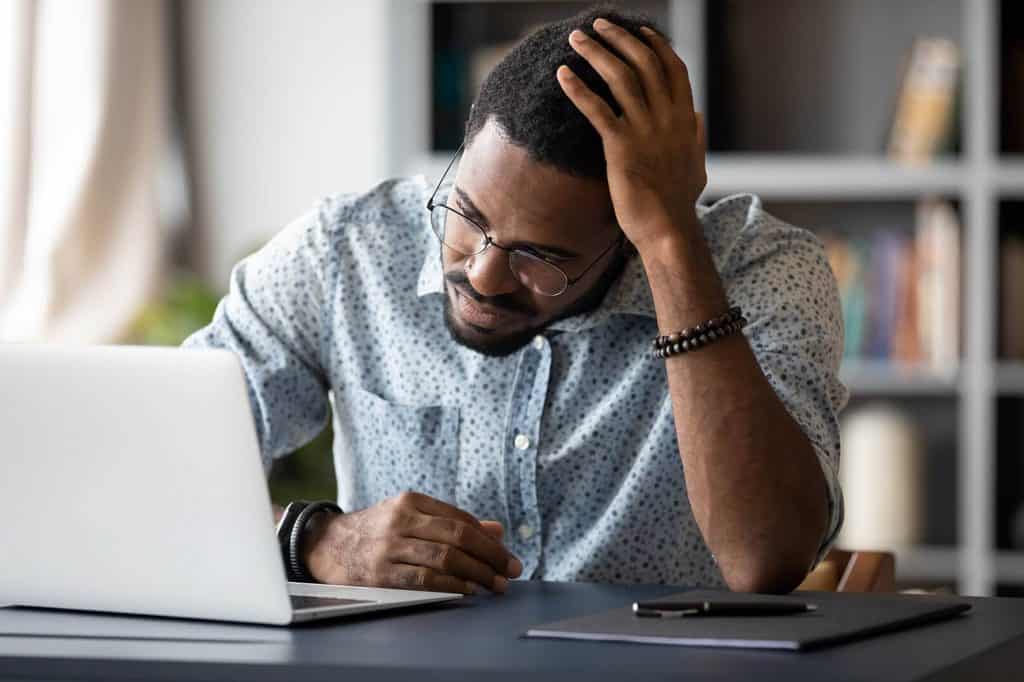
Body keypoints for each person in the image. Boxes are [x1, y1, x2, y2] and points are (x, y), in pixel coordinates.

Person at [185, 6, 846, 595]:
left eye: (543, 257)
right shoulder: (342, 253)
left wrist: (673, 242)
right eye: (465, 215)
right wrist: (318, 542)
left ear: (630, 235)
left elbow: (764, 560)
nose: (484, 275)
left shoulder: (760, 269)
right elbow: (145, 473)